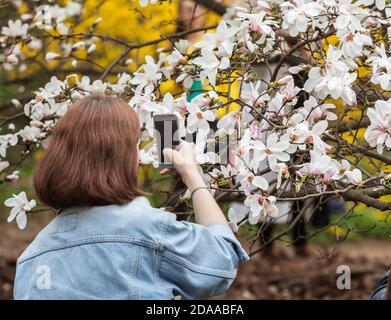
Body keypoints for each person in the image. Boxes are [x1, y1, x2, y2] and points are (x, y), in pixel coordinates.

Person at [13, 94, 249, 300]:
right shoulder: (148, 231)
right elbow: (221, 262)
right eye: (136, 145)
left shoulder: (30, 259)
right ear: (126, 156)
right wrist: (193, 177)